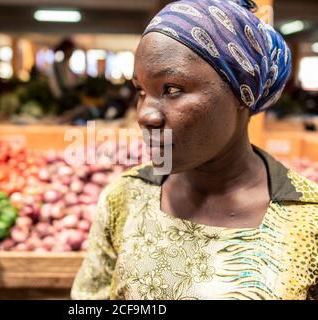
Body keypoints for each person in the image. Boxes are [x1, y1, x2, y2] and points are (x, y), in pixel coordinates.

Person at [71, 0, 318, 300]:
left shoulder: (308, 222)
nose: (145, 115)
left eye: (172, 89)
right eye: (140, 91)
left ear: (243, 93)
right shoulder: (125, 198)